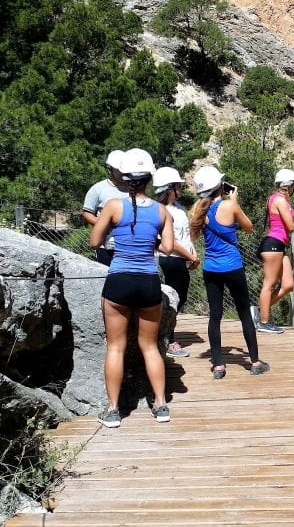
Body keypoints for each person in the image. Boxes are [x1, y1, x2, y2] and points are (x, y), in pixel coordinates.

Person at [90, 148, 173, 428]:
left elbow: (94, 241)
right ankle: (161, 405)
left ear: (124, 178)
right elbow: (168, 248)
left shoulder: (113, 206)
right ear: (149, 178)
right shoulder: (161, 211)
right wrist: (150, 238)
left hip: (119, 280)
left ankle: (113, 411)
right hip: (148, 281)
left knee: (116, 347)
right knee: (150, 346)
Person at [189, 165, 268, 379]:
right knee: (244, 313)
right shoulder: (229, 205)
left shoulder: (200, 210)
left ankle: (218, 366)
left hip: (211, 268)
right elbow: (249, 227)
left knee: (215, 316)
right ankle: (255, 362)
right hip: (232, 266)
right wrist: (235, 202)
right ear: (219, 186)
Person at [255, 169, 294, 334]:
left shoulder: (278, 199)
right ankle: (263, 322)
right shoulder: (279, 200)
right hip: (273, 244)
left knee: (287, 285)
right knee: (269, 284)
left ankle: (259, 311)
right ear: (289, 185)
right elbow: (290, 226)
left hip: (278, 246)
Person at [153, 167, 200, 358]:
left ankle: (165, 334)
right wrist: (190, 257)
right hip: (170, 258)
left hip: (181, 258)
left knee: (181, 297)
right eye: (177, 185)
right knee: (174, 299)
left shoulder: (179, 207)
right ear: (169, 188)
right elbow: (169, 242)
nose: (181, 187)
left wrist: (193, 253)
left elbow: (185, 235)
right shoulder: (160, 209)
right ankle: (168, 340)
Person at [83, 150, 130, 266]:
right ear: (110, 169)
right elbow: (87, 213)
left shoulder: (135, 189)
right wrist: (103, 224)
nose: (122, 171)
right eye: (119, 168)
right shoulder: (98, 189)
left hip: (131, 246)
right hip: (106, 247)